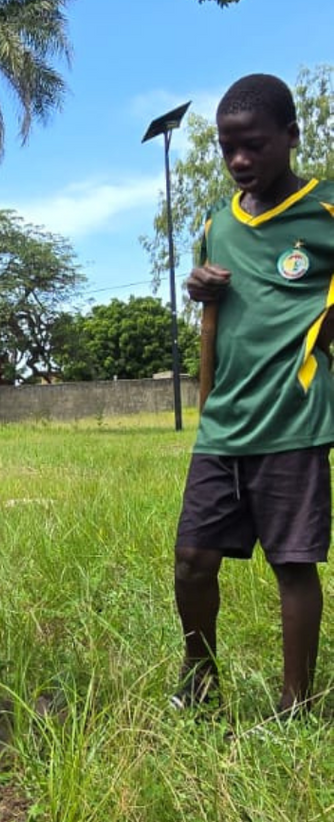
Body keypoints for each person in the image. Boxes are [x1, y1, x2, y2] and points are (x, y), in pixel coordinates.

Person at [173, 73, 334, 719]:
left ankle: (295, 704)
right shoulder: (217, 221)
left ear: (291, 137)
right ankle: (199, 677)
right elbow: (220, 301)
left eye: (254, 146)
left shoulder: (325, 213)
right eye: (227, 148)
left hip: (294, 418)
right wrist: (198, 286)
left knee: (292, 563)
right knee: (192, 559)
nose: (239, 160)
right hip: (225, 420)